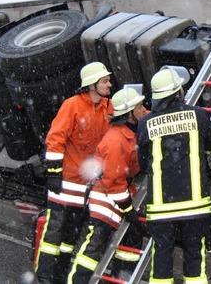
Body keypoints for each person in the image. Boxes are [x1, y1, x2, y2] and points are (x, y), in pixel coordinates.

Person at [35, 62, 113, 284]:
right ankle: (45, 277)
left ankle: (59, 276)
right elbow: (55, 139)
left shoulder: (108, 107)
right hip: (65, 185)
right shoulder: (72, 106)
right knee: (54, 235)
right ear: (91, 85)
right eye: (105, 81)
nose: (109, 84)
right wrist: (53, 173)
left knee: (70, 238)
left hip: (87, 189)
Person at [137, 67, 211, 284]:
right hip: (195, 205)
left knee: (161, 259)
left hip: (162, 209)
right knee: (194, 258)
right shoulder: (198, 115)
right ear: (178, 92)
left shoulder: (146, 123)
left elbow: (143, 163)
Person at [66, 86, 148, 283]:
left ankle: (122, 276)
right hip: (107, 204)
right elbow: (113, 182)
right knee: (92, 251)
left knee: (130, 244)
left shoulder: (128, 132)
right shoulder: (115, 140)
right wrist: (128, 208)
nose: (144, 110)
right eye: (140, 107)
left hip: (119, 199)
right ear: (129, 114)